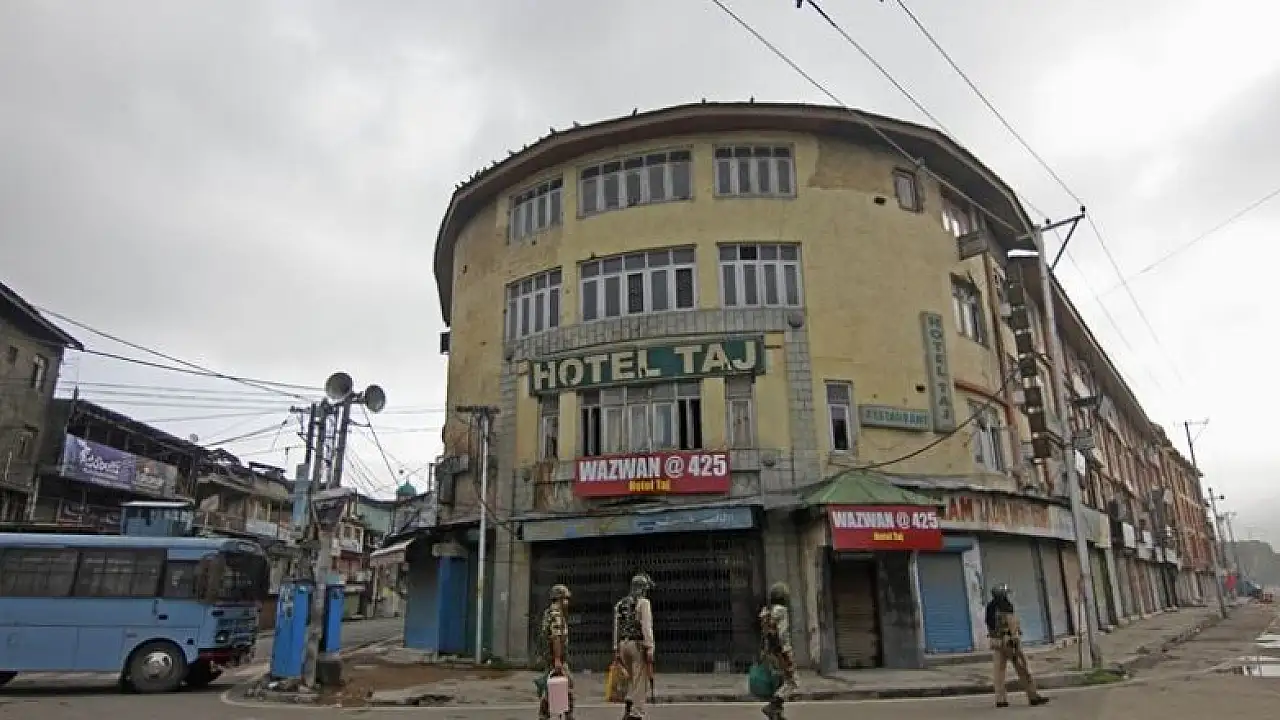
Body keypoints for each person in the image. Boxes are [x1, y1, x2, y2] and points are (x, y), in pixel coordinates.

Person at [985, 584, 1050, 708]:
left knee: (998, 673)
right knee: (1023, 669)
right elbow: (1012, 626)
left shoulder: (990, 608)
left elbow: (990, 626)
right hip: (1010, 643)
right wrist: (1015, 640)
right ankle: (1033, 696)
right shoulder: (1006, 607)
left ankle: (1000, 700)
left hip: (997, 643)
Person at [613, 572, 656, 719]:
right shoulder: (643, 603)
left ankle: (628, 705)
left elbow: (616, 627)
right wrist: (650, 646)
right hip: (637, 644)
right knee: (640, 680)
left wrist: (616, 648)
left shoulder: (620, 604)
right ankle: (636, 713)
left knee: (631, 678)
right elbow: (646, 626)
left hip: (622, 644)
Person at [758, 581, 798, 720]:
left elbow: (765, 634)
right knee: (792, 681)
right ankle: (773, 706)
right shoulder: (781, 611)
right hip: (781, 650)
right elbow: (781, 633)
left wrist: (764, 651)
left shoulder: (766, 612)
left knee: (780, 681)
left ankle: (777, 714)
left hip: (771, 652)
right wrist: (785, 653)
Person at [536, 584, 575, 720]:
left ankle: (544, 714)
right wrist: (557, 659)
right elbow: (556, 637)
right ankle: (568, 715)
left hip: (549, 656)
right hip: (556, 657)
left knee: (552, 684)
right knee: (567, 684)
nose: (567, 602)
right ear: (559, 599)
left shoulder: (548, 612)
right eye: (565, 599)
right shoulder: (556, 614)